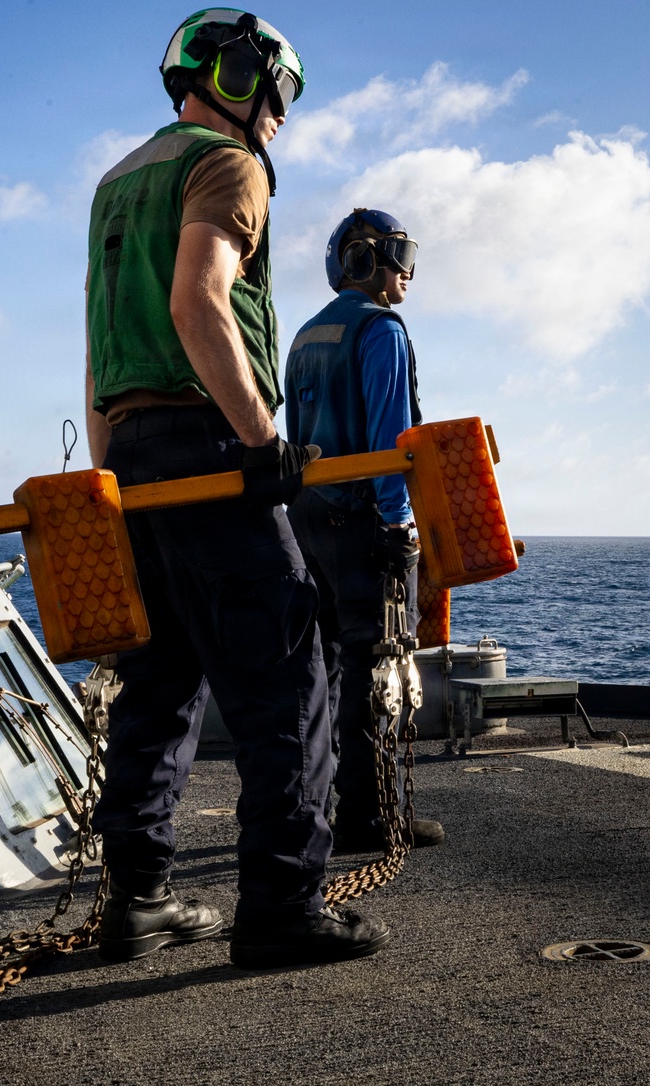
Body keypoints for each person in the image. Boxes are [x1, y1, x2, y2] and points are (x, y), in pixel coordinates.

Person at [85, 10, 389, 968]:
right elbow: (197, 301)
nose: (284, 116)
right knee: (292, 671)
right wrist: (262, 440)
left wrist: (107, 474)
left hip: (132, 453)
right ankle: (282, 909)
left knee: (161, 680)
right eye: (284, 92)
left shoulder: (115, 182)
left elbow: (99, 354)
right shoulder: (228, 163)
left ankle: (136, 898)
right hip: (214, 442)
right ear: (244, 75)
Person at [284, 208, 444, 852]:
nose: (406, 270)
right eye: (399, 254)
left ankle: (315, 807)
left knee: (320, 672)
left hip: (306, 524)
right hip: (366, 522)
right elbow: (390, 437)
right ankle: (370, 817)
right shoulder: (382, 329)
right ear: (365, 260)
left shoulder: (302, 337)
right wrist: (398, 524)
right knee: (379, 665)